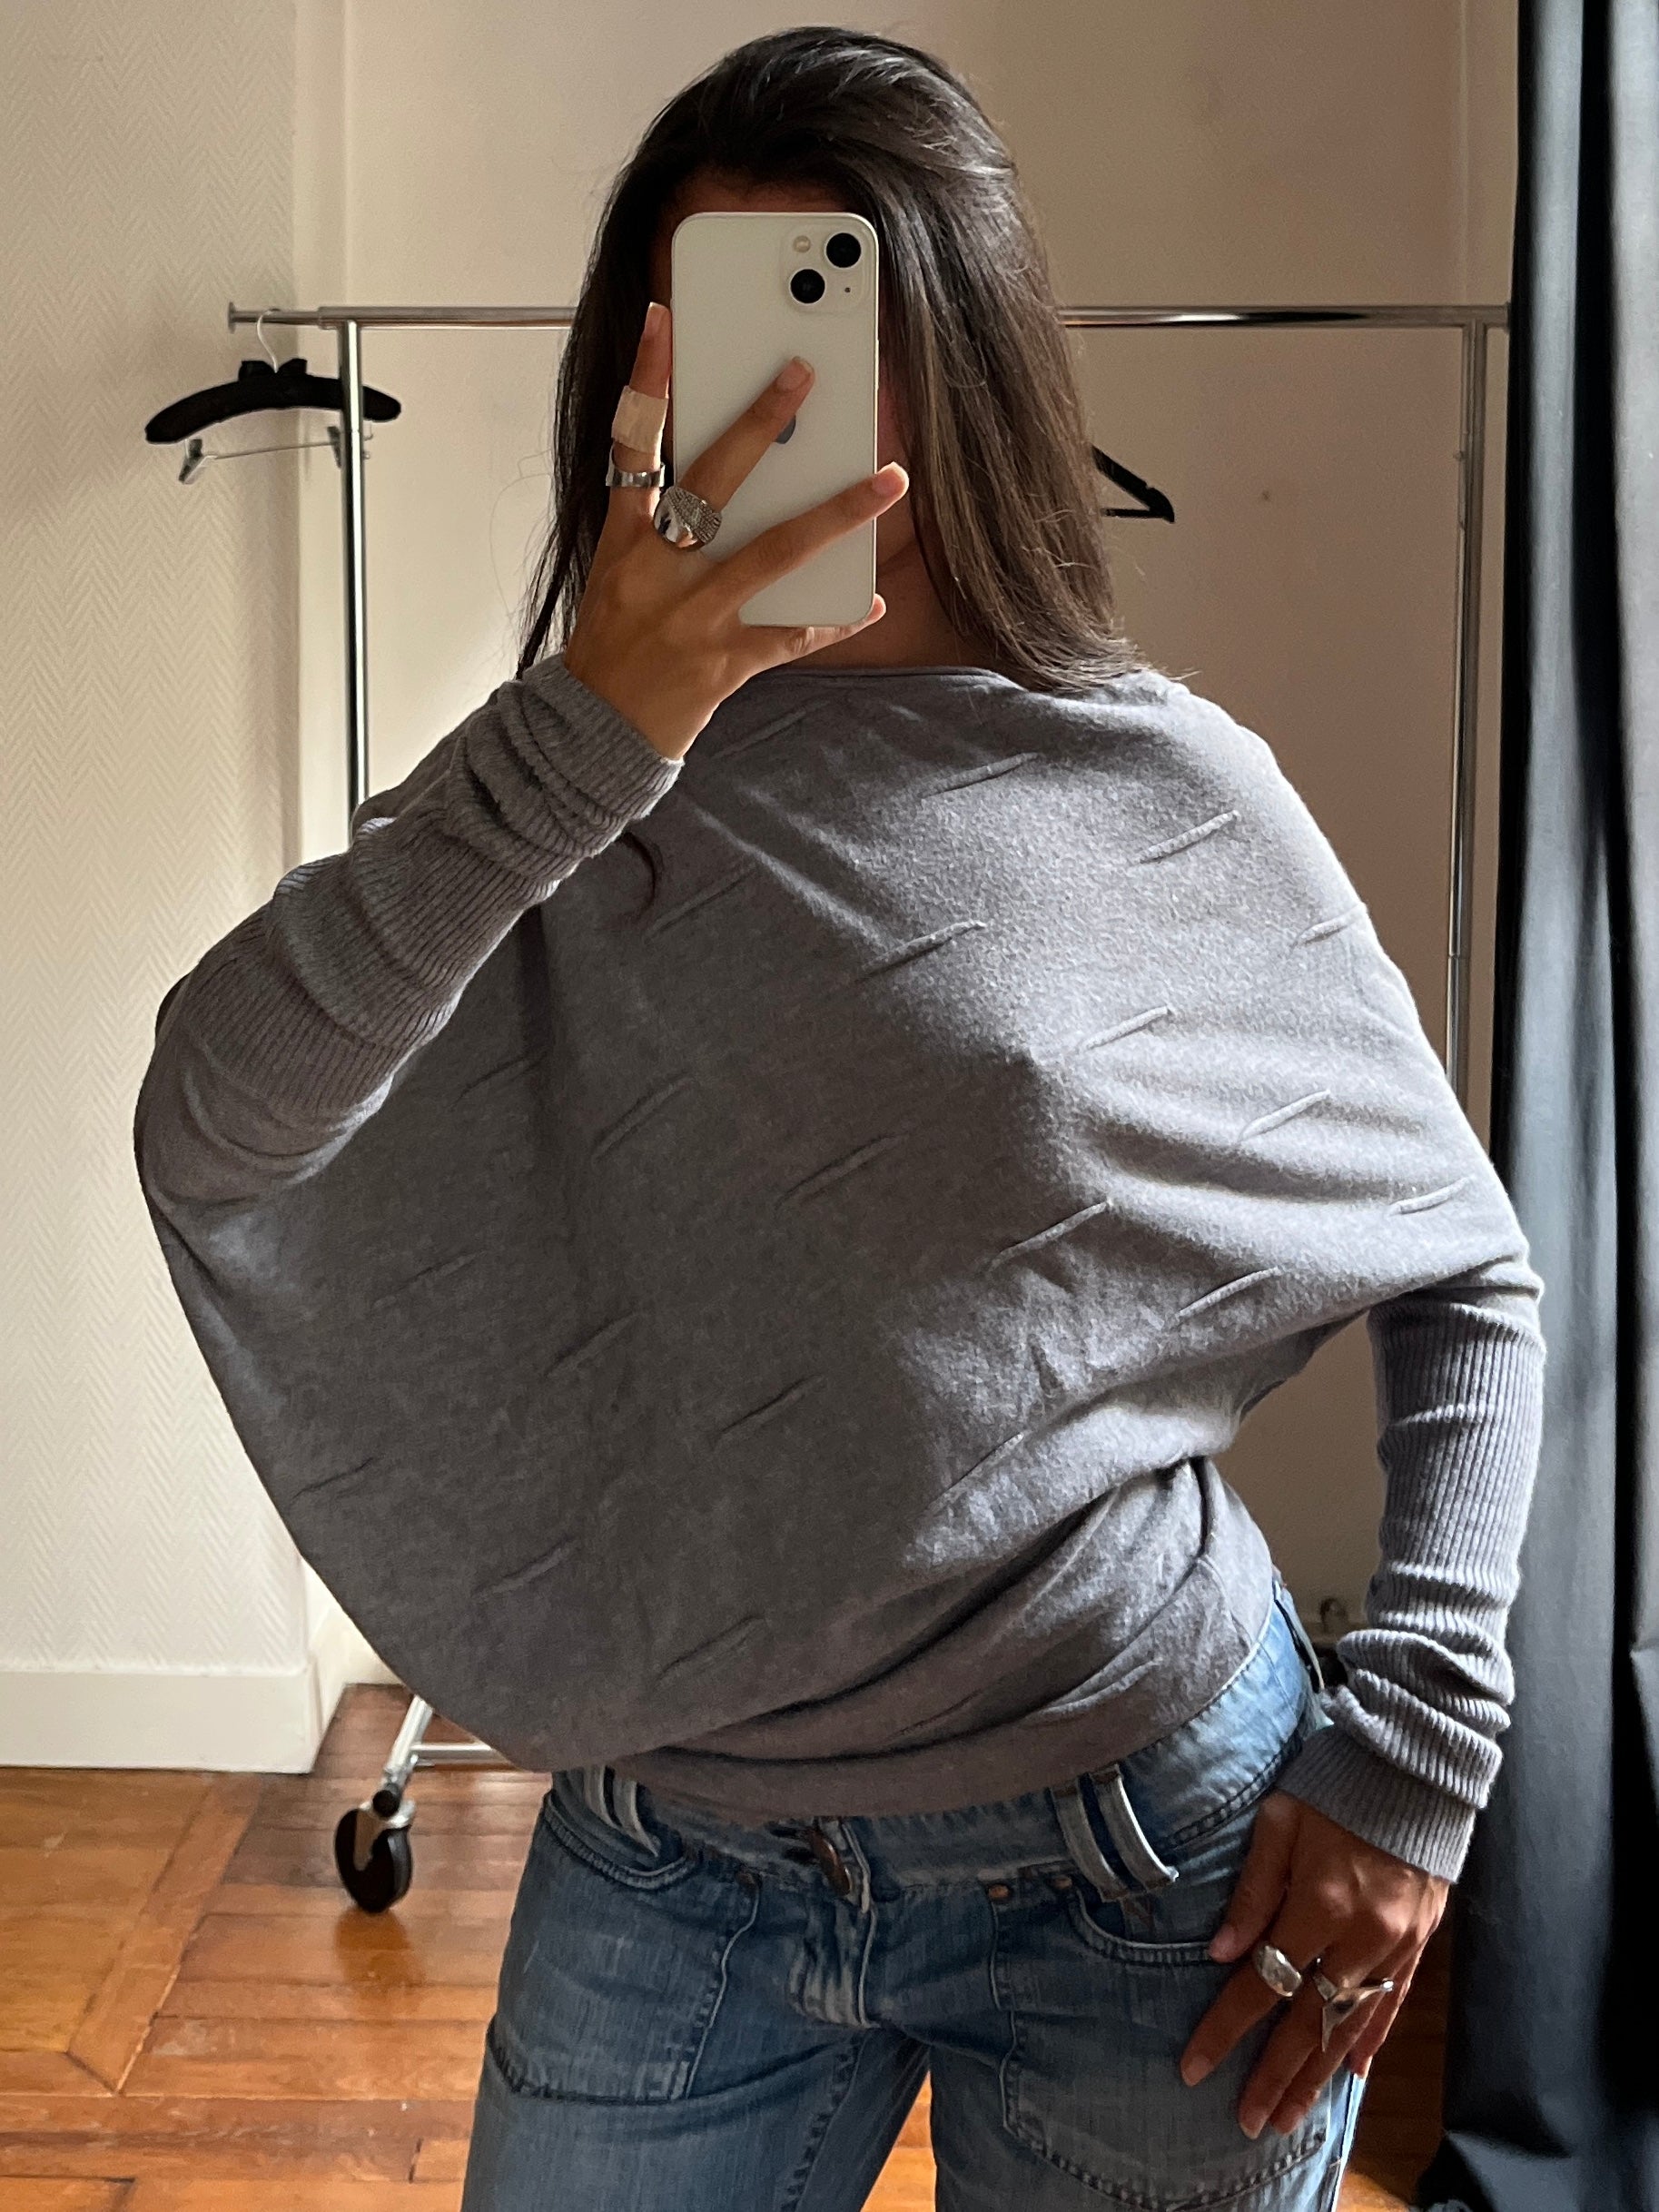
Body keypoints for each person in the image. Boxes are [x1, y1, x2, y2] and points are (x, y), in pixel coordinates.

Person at [133, 27, 1545, 2212]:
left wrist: (1418, 1754)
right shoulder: (550, 797)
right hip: (670, 1857)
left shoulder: (1155, 783)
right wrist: (592, 725)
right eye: (707, 335)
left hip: (1149, 1850)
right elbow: (215, 1122)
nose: (767, 399)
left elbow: (1461, 1268)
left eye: (828, 322)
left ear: (959, 360)